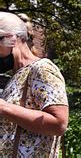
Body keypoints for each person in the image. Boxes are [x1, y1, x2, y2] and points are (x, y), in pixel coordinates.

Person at [0, 12, 68, 157]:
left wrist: (3, 107)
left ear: (11, 38)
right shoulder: (17, 75)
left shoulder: (42, 69)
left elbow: (59, 123)